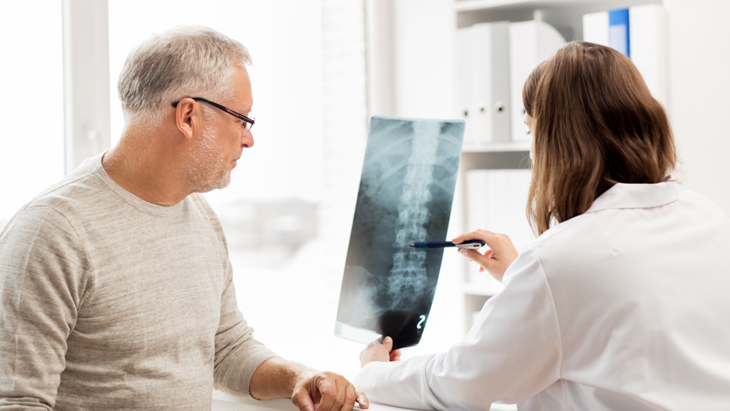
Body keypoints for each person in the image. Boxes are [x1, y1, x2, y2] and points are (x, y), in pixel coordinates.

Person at [0, 26, 367, 411]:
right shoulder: (51, 232)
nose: (249, 139)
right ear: (188, 116)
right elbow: (17, 402)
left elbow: (226, 350)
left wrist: (298, 377)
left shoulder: (200, 217)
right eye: (242, 120)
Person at [355, 41, 730, 410]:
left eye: (531, 131)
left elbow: (462, 383)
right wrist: (524, 279)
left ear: (559, 142)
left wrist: (373, 374)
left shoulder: (561, 259)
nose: (532, 151)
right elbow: (635, 309)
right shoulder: (706, 216)